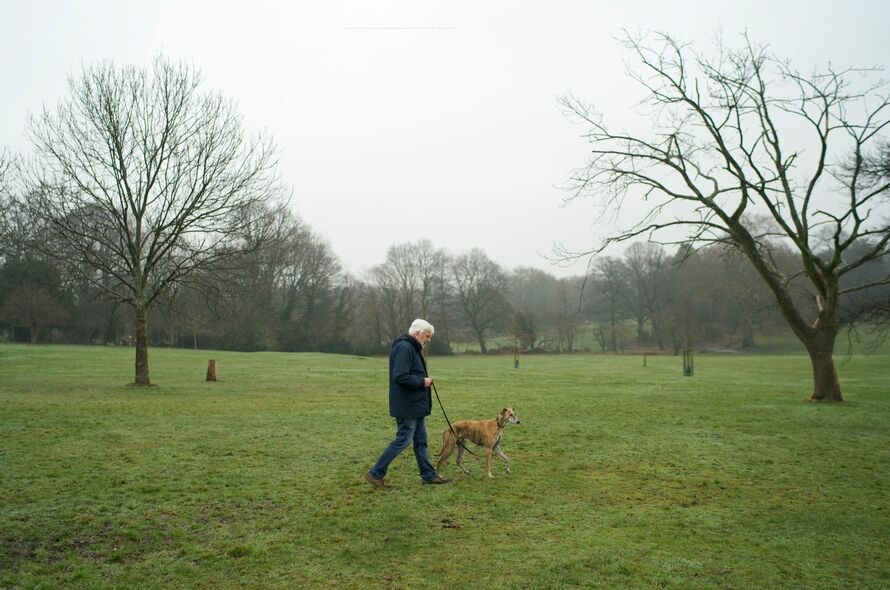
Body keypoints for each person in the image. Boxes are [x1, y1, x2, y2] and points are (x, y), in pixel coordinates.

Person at [366, 319, 451, 487]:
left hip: (415, 405)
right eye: (427, 336)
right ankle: (375, 473)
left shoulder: (411, 347)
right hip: (407, 406)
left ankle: (428, 475)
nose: (429, 340)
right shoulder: (405, 348)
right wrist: (422, 382)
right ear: (417, 333)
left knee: (421, 440)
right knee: (403, 440)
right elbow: (400, 376)